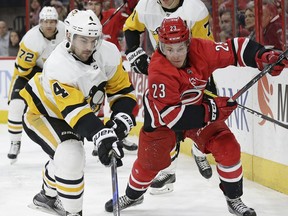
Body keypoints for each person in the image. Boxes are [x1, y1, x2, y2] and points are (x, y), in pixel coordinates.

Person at [104, 16, 288, 216]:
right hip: (162, 121)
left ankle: (233, 199)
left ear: (188, 42)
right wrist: (213, 110)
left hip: (197, 113)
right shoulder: (158, 69)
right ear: (160, 46)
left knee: (227, 145)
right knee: (150, 164)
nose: (175, 55)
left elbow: (235, 49)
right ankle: (133, 195)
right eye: (169, 49)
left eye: (180, 48)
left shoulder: (201, 49)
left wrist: (262, 55)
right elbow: (172, 118)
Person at [19, 9, 137, 216]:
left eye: (94, 40)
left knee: (64, 156)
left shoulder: (108, 53)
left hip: (72, 115)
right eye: (83, 40)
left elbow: (121, 91)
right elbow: (77, 113)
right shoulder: (58, 65)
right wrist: (102, 135)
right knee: (71, 155)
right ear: (68, 36)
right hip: (42, 114)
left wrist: (121, 118)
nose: (90, 47)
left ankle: (47, 196)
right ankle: (73, 212)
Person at [123, 0, 215, 195]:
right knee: (163, 121)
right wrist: (134, 52)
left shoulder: (195, 9)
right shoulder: (146, 5)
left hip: (195, 68)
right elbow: (131, 28)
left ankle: (199, 149)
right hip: (165, 72)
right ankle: (168, 172)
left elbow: (206, 49)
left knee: (206, 118)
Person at [7, 6, 65, 163]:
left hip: (56, 72)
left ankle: (67, 141)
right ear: (40, 22)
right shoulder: (31, 40)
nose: (49, 26)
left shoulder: (66, 31)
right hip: (30, 72)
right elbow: (21, 70)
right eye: (45, 22)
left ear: (57, 22)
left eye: (52, 22)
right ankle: (14, 142)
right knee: (16, 105)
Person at [84, 0, 139, 152]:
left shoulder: (112, 15)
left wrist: (130, 4)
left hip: (112, 65)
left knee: (125, 99)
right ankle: (100, 138)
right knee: (95, 103)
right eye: (89, 4)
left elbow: (131, 17)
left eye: (96, 4)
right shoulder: (79, 21)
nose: (93, 7)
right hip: (90, 68)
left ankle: (120, 135)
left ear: (102, 6)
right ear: (85, 6)